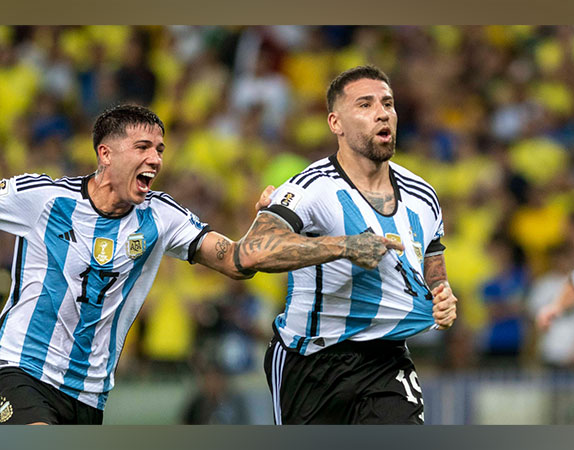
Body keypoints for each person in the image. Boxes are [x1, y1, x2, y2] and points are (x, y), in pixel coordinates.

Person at [0, 104, 402, 425]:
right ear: (105, 153)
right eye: (142, 147)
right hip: (21, 368)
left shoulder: (162, 217)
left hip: (88, 394)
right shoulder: (43, 198)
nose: (155, 159)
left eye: (159, 149)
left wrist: (325, 239)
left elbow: (238, 260)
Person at [258, 66, 458, 425]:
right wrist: (344, 247)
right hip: (311, 360)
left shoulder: (423, 196)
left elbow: (432, 260)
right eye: (365, 105)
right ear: (336, 123)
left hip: (387, 357)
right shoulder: (311, 188)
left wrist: (442, 291)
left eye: (388, 103)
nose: (382, 113)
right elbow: (254, 250)